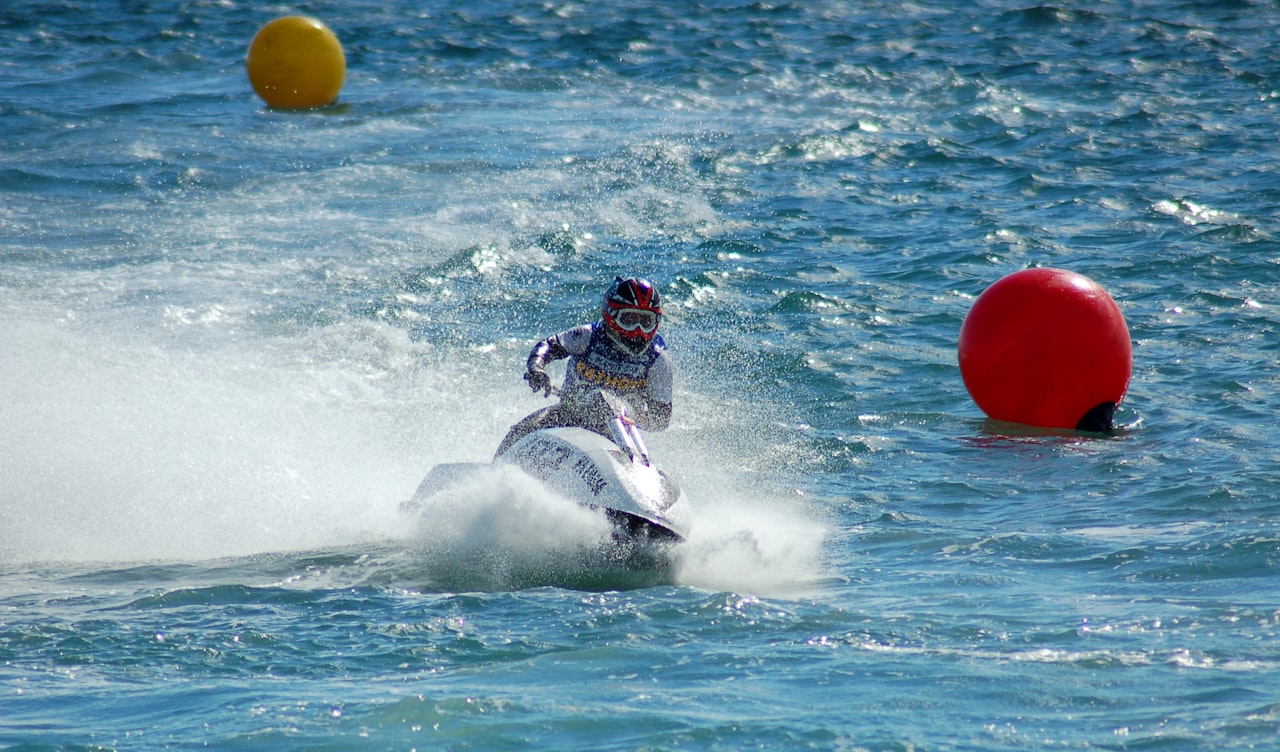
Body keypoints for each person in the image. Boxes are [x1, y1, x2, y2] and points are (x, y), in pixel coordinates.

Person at [495, 276, 673, 458]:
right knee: (518, 434)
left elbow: (661, 419)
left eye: (645, 321)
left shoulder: (657, 357)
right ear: (611, 315)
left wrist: (635, 418)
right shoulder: (588, 336)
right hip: (569, 416)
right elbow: (548, 345)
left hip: (619, 432)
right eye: (629, 319)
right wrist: (536, 369)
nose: (638, 330)